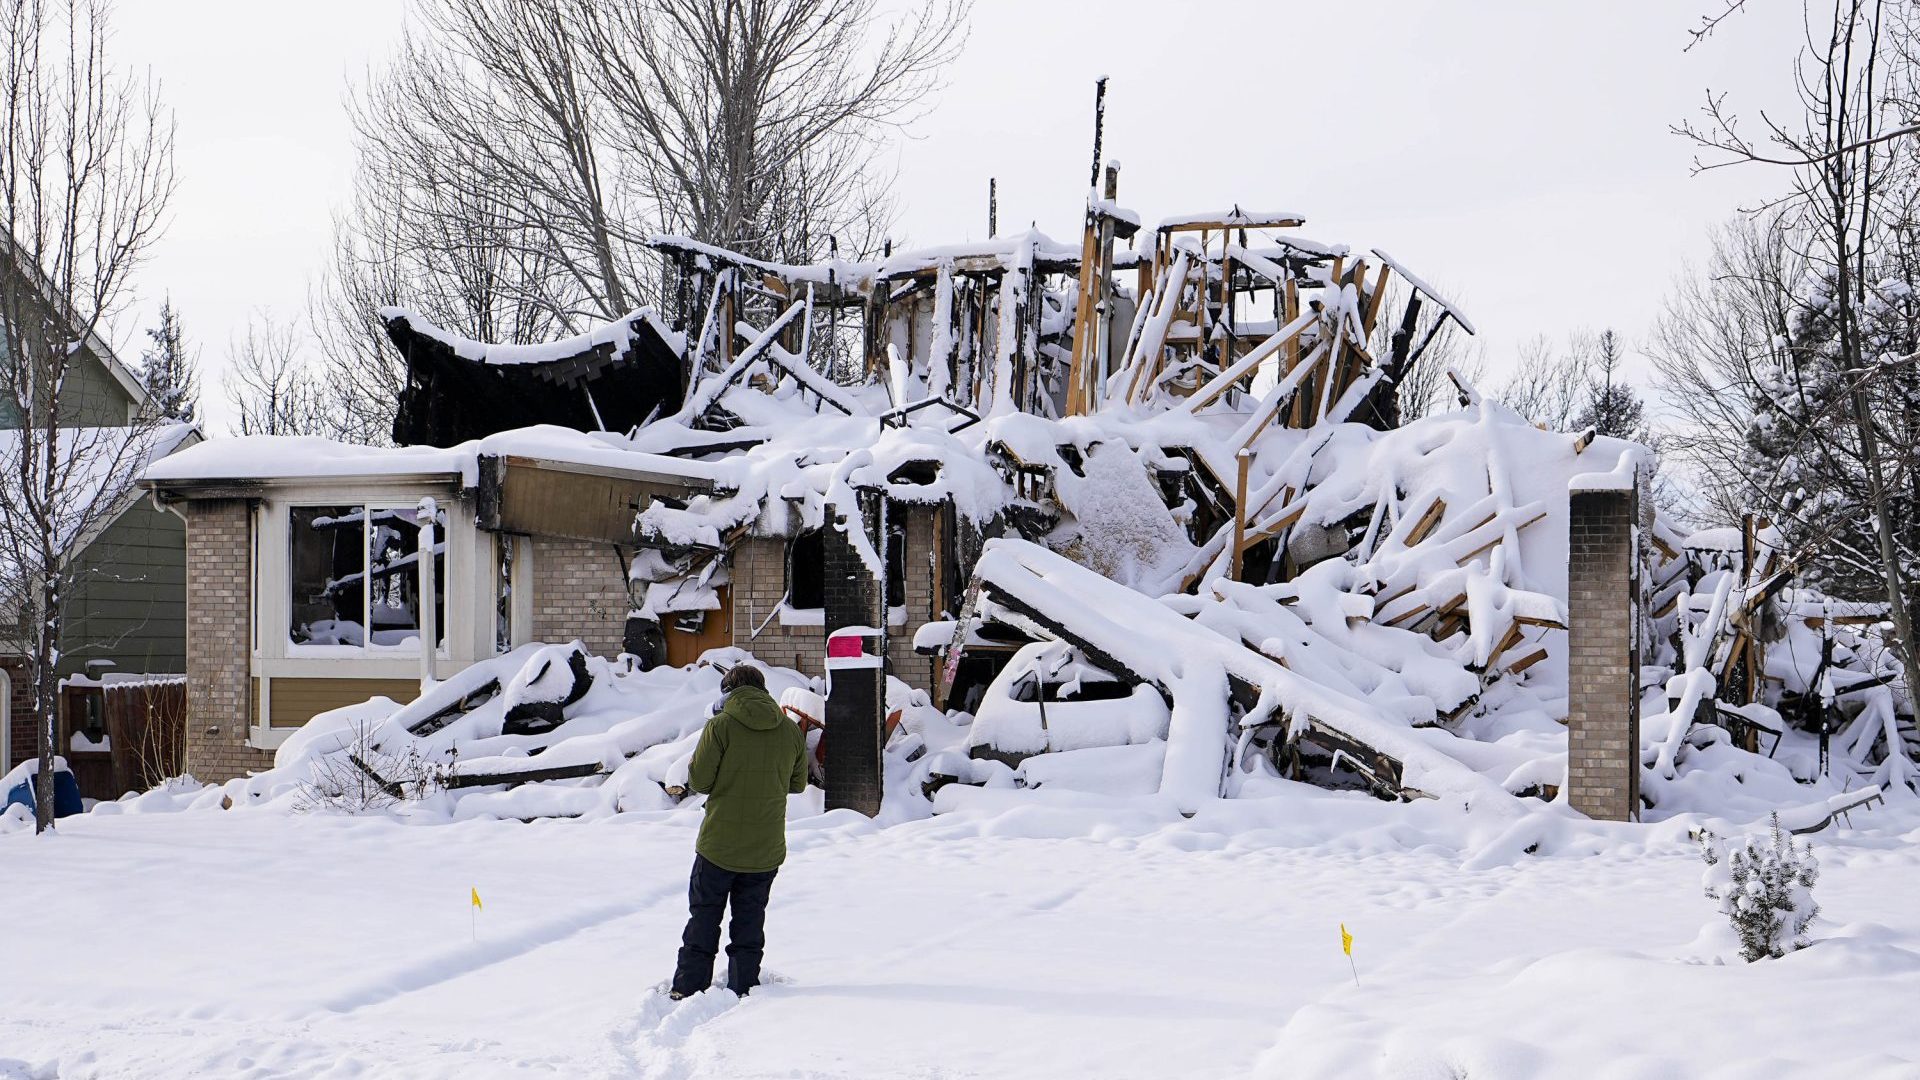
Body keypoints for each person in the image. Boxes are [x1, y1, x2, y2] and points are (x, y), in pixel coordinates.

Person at [669, 662, 809, 999]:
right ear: (763, 691)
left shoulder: (721, 726)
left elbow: (700, 781)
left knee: (704, 917)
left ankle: (688, 988)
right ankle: (744, 987)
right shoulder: (790, 730)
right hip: (765, 848)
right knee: (749, 921)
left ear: (727, 694)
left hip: (718, 845)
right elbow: (799, 784)